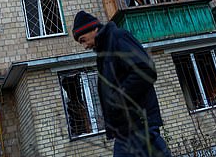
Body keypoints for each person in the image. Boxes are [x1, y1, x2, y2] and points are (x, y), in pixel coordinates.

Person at [72, 10, 172, 157]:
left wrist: (118, 98)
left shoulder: (118, 38)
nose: (84, 45)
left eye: (83, 39)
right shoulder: (105, 51)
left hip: (138, 125)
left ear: (94, 29)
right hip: (127, 129)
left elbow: (145, 70)